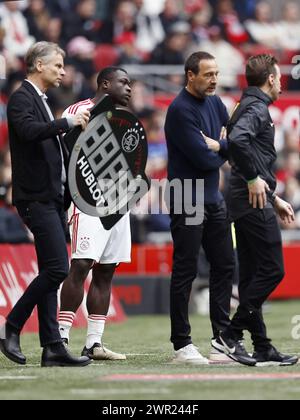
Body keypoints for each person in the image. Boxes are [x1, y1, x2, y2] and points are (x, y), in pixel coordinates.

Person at [0, 42, 91, 367]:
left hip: (50, 199)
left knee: (50, 272)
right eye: (57, 65)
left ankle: (52, 346)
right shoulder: (21, 97)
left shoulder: (38, 100)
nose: (63, 71)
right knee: (57, 269)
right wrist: (67, 124)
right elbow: (28, 131)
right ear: (38, 65)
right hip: (35, 198)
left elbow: (50, 143)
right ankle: (11, 325)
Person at [209, 54, 299, 367]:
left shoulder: (246, 104)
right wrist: (252, 179)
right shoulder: (257, 107)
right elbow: (238, 141)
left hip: (249, 198)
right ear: (271, 79)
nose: (281, 83)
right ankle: (229, 334)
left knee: (249, 277)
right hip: (249, 200)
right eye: (279, 77)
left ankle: (262, 346)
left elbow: (243, 149)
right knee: (273, 269)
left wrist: (272, 196)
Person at [164, 51, 237, 365]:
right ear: (190, 75)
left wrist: (219, 143)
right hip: (186, 194)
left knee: (225, 265)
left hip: (212, 197)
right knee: (186, 270)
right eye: (208, 74)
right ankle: (182, 344)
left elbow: (233, 142)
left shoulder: (217, 103)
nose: (214, 80)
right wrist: (223, 149)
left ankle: (221, 342)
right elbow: (203, 158)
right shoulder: (180, 110)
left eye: (216, 74)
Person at [58, 67, 132, 361]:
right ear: (105, 83)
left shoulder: (125, 119)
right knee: (82, 265)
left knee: (107, 269)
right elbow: (62, 150)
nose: (129, 88)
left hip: (118, 201)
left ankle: (94, 343)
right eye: (123, 82)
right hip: (86, 200)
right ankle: (61, 338)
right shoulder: (80, 110)